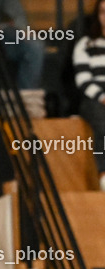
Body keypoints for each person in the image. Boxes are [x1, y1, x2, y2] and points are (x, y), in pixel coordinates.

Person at [73, 0, 105, 191]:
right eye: (103, 12)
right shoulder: (85, 44)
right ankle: (103, 174)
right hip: (94, 98)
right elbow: (83, 80)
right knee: (102, 123)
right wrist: (102, 97)